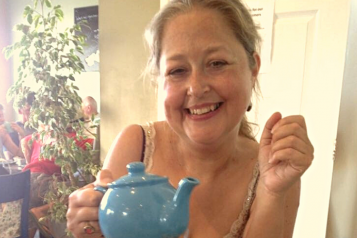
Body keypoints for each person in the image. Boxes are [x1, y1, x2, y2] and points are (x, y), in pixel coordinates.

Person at [66, 0, 314, 237]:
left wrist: (270, 193)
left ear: (253, 69)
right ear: (159, 82)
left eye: (217, 63)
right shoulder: (136, 145)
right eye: (177, 71)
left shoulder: (276, 170)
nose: (196, 87)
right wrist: (88, 225)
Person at [2, 92, 36, 160]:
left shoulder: (40, 128)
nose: (33, 113)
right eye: (28, 110)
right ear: (20, 111)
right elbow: (10, 158)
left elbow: (19, 153)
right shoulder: (13, 129)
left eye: (34, 109)